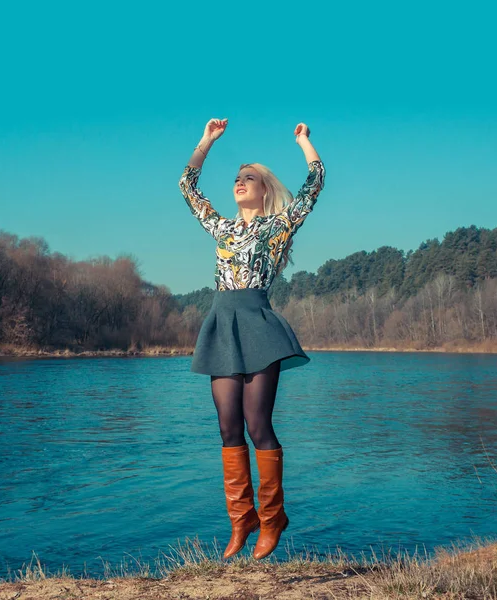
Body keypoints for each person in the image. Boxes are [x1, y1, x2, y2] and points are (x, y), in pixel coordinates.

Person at [178, 118, 325, 560]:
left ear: (264, 189)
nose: (241, 182)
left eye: (250, 178)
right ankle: (241, 522)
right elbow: (187, 184)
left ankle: (272, 516)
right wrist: (206, 141)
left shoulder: (278, 226)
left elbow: (315, 183)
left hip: (258, 326)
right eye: (237, 178)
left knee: (258, 425)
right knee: (227, 428)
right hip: (222, 326)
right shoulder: (222, 227)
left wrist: (305, 143)